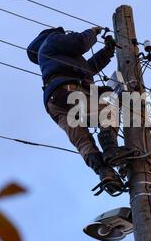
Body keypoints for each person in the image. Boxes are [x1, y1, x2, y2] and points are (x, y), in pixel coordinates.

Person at [27, 26, 131, 196]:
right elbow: (80, 42)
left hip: (55, 101)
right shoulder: (51, 40)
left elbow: (86, 69)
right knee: (110, 105)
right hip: (69, 90)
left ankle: (105, 173)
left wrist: (107, 51)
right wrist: (93, 32)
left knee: (82, 141)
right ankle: (111, 149)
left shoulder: (53, 57)